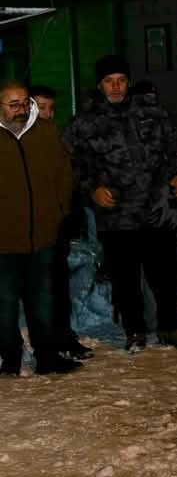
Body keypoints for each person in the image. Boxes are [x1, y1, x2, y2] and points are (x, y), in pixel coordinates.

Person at [63, 55, 177, 352]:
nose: (116, 87)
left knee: (164, 276)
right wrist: (92, 189)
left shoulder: (152, 112)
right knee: (125, 279)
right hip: (116, 215)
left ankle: (171, 328)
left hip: (156, 210)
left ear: (128, 82)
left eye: (121, 80)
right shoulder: (84, 123)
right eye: (109, 82)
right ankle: (134, 331)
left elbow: (175, 146)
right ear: (100, 85)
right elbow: (70, 165)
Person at [0, 81, 80, 375]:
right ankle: (9, 359)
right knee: (4, 305)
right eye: (13, 104)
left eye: (24, 103)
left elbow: (63, 173)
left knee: (42, 301)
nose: (21, 109)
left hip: (42, 237)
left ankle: (47, 357)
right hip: (3, 243)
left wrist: (60, 210)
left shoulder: (45, 132)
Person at [29, 84, 94, 361]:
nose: (47, 113)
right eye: (41, 107)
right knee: (38, 289)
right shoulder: (19, 141)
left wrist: (71, 214)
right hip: (30, 231)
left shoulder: (56, 138)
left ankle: (64, 336)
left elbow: (68, 180)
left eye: (50, 108)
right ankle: (46, 343)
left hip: (57, 227)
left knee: (58, 286)